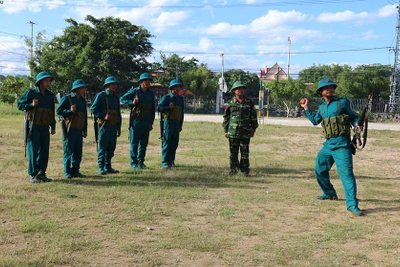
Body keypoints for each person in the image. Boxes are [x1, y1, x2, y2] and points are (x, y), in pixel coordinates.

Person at [300, 78, 364, 216]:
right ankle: (329, 193)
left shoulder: (342, 102)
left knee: (347, 175)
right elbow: (315, 121)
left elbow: (353, 117)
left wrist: (358, 124)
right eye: (326, 88)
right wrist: (306, 108)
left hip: (342, 145)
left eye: (331, 87)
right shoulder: (322, 107)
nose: (329, 89)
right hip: (328, 145)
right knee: (319, 169)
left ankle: (352, 204)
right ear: (321, 91)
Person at [17, 71, 56, 183]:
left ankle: (41, 173)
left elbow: (52, 112)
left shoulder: (50, 96)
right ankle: (33, 174)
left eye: (48, 81)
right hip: (33, 127)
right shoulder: (31, 93)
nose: (48, 83)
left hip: (45, 127)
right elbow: (20, 105)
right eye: (46, 81)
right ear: (40, 82)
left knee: (44, 151)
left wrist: (53, 126)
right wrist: (31, 105)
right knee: (33, 151)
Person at [223, 81, 258, 176]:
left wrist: (253, 129)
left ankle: (245, 170)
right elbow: (226, 118)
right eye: (238, 89)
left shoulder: (249, 103)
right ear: (234, 91)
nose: (240, 90)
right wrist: (225, 130)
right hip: (233, 132)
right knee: (233, 152)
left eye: (242, 89)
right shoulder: (230, 103)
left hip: (245, 132)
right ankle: (233, 170)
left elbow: (253, 117)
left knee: (245, 152)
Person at [120, 73, 155, 170]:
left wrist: (151, 122)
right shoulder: (134, 91)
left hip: (146, 121)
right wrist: (132, 103)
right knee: (134, 143)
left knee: (144, 143)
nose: (147, 82)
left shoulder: (150, 94)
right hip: (136, 121)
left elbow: (152, 109)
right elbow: (122, 99)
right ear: (141, 82)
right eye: (145, 80)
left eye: (149, 80)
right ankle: (133, 163)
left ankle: (141, 162)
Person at [56, 79, 88, 178]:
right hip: (69, 130)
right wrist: (69, 111)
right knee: (68, 151)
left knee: (78, 151)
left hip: (79, 129)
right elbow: (59, 111)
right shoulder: (67, 99)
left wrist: (85, 129)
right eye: (82, 87)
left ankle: (75, 170)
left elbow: (84, 115)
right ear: (77, 89)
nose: (84, 89)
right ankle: (67, 172)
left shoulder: (82, 100)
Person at [90, 76, 122, 175]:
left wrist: (119, 127)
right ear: (107, 85)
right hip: (103, 126)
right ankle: (101, 167)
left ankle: (108, 166)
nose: (114, 86)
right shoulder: (101, 96)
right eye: (112, 84)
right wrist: (103, 116)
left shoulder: (116, 97)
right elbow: (93, 109)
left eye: (115, 84)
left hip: (113, 126)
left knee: (111, 147)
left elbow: (118, 113)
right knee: (102, 147)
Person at [157, 79, 185, 168]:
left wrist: (181, 124)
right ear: (172, 88)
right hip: (168, 123)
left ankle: (171, 161)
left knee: (174, 143)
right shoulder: (166, 98)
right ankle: (165, 162)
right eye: (176, 87)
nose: (178, 89)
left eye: (179, 87)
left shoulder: (180, 99)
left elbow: (182, 113)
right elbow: (159, 108)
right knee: (167, 142)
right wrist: (168, 107)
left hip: (176, 123)